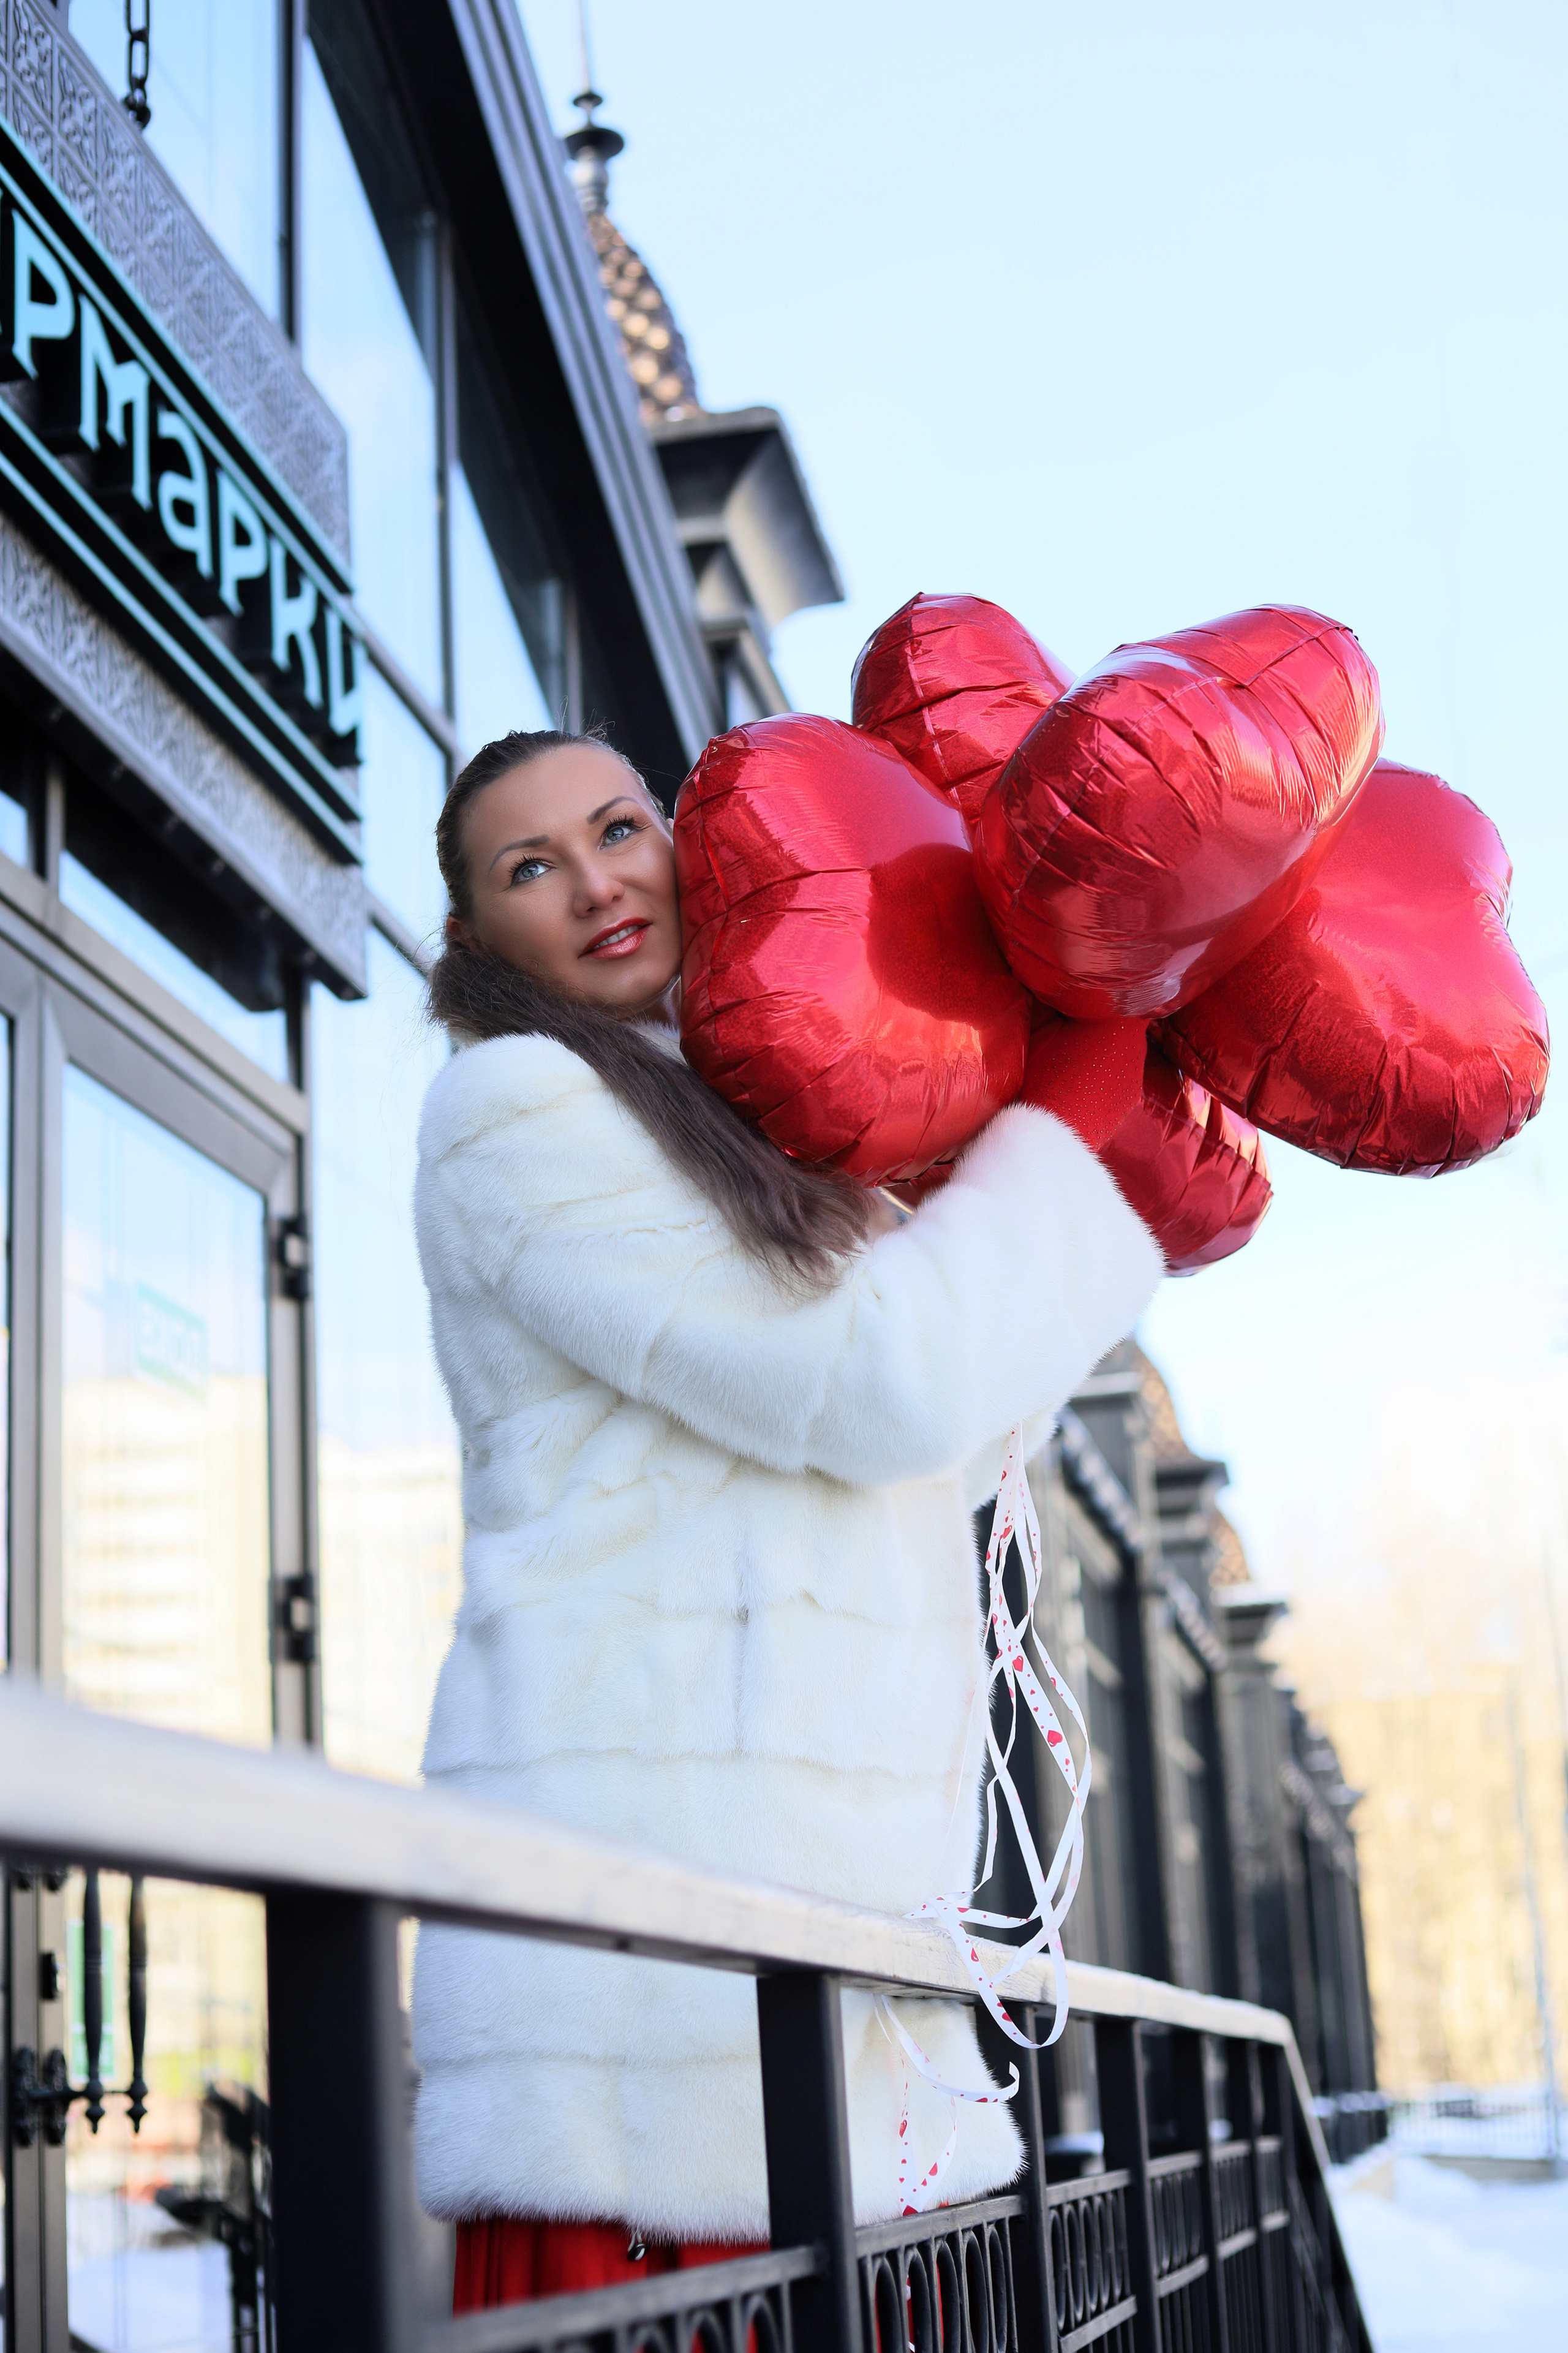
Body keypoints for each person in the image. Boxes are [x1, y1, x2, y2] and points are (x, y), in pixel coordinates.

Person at [410, 727, 1163, 2310]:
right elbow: (877, 1382)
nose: (600, 882)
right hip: (650, 2006)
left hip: (835, 1950)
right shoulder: (515, 1107)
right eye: (531, 866)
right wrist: (1055, 1144)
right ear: (478, 938)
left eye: (621, 829)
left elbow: (920, 1446)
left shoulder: (748, 1111)